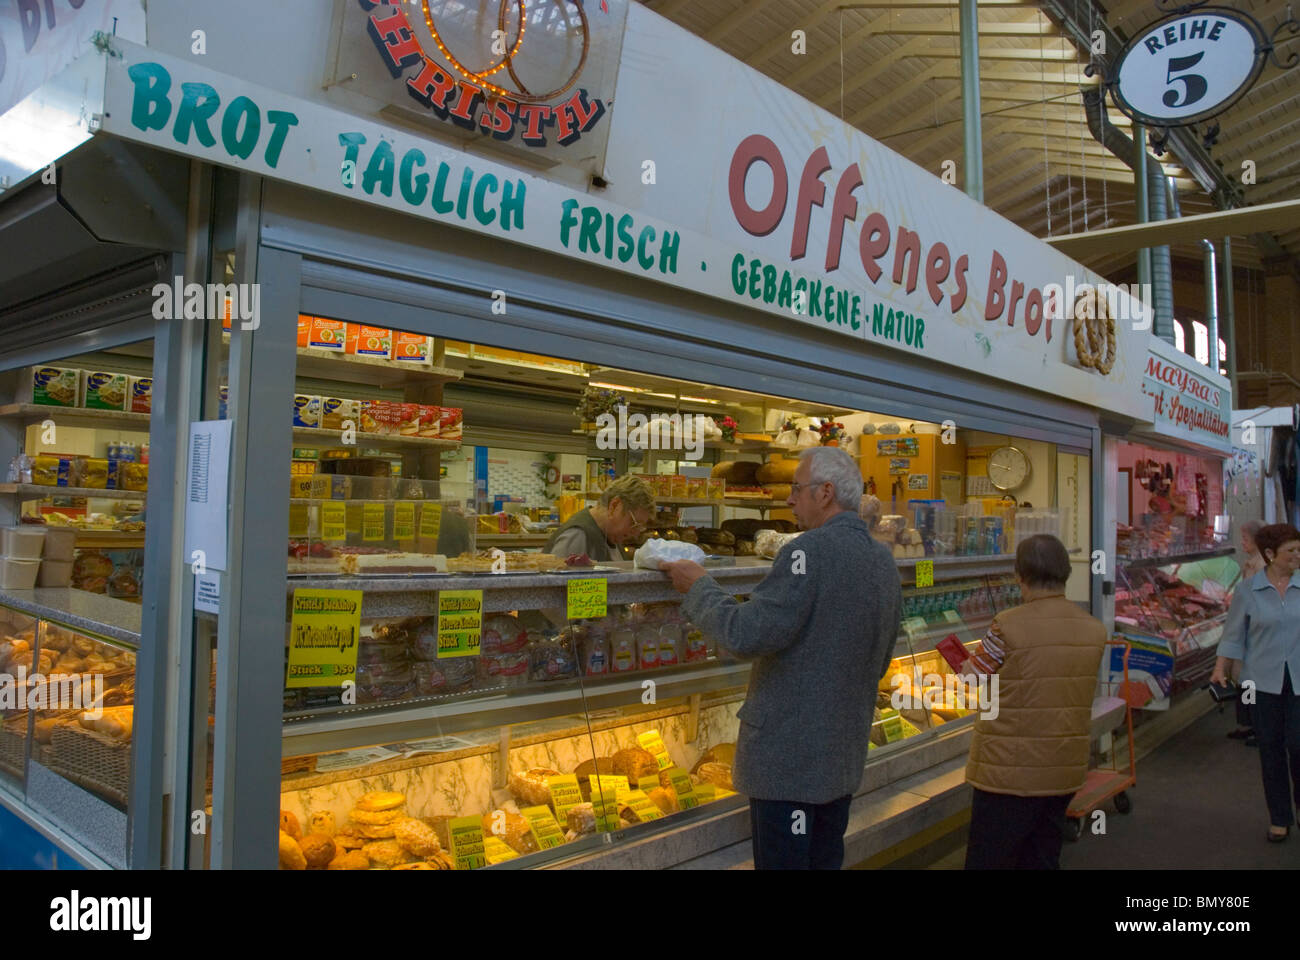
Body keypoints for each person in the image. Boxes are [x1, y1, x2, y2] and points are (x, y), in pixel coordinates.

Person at [659, 446, 900, 869]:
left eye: (796, 489)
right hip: (842, 758)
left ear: (825, 493)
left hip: (790, 766)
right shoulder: (882, 560)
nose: (789, 499)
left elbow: (745, 634)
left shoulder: (806, 553)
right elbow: (880, 656)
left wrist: (699, 586)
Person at [962, 534, 1106, 870]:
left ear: (1020, 575)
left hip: (1008, 774)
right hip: (1063, 770)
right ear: (1065, 573)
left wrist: (965, 664)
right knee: (1042, 856)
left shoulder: (1006, 626)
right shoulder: (1093, 629)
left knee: (990, 860)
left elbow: (973, 678)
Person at [1210, 522, 1300, 842]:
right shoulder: (1248, 590)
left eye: (1299, 550)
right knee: (1270, 747)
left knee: (1298, 743)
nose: (1298, 556)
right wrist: (1220, 668)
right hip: (1258, 682)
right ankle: (1279, 817)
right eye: (1292, 551)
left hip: (1299, 681)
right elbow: (1234, 634)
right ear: (1271, 554)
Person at [544, 474, 654, 562]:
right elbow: (558, 585)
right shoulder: (578, 536)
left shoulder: (611, 536)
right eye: (634, 524)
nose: (635, 534)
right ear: (614, 506)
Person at [1227, 520, 1266, 742]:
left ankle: (1259, 727)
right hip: (1247, 631)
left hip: (1254, 633)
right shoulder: (1252, 564)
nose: (1242, 542)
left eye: (1245, 539)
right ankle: (1251, 723)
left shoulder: (1261, 567)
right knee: (1244, 680)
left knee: (1250, 680)